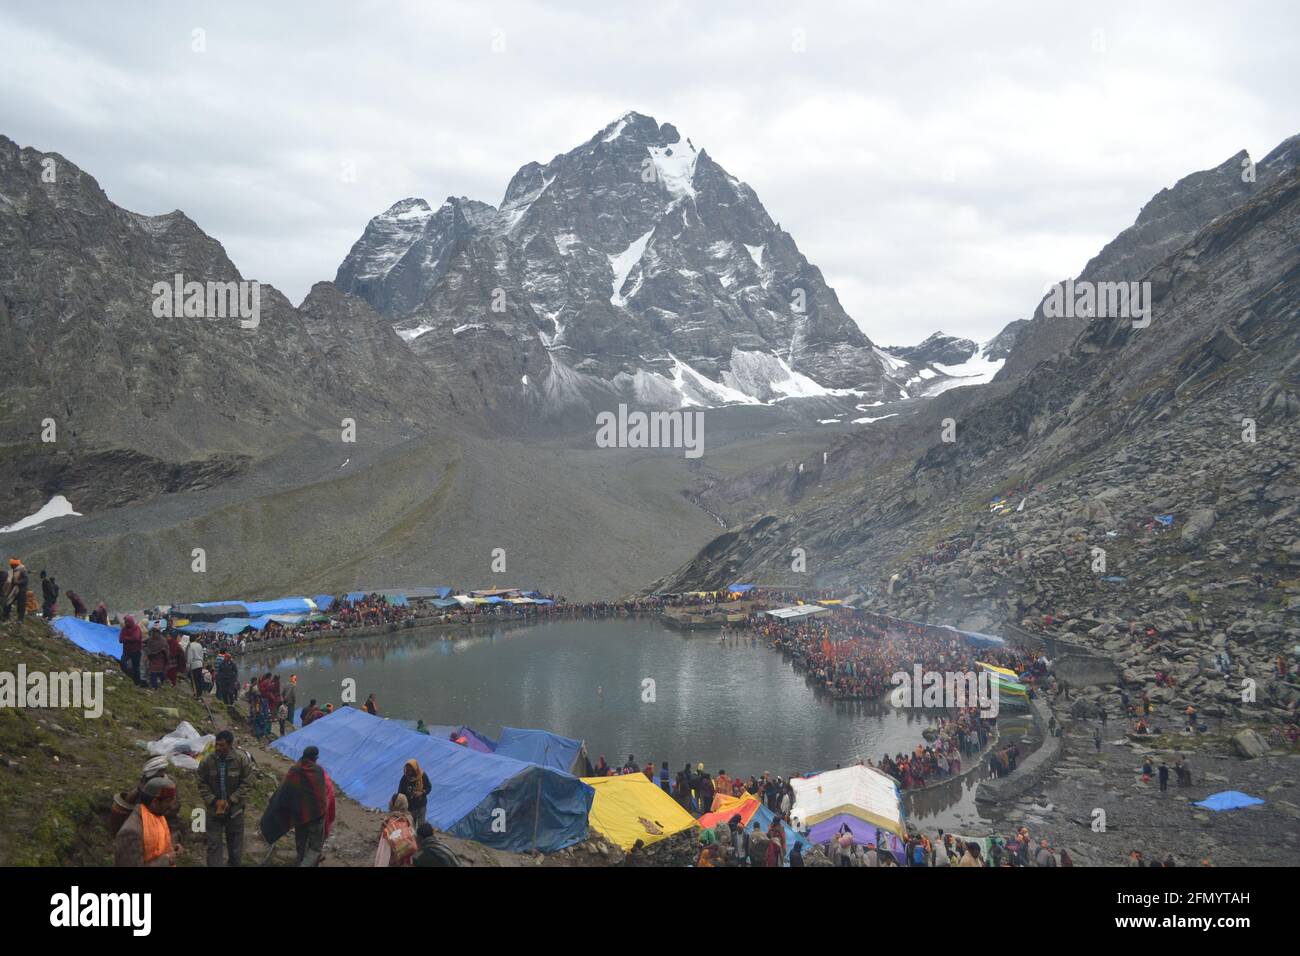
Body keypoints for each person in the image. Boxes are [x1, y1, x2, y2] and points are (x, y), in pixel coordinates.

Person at [260, 745, 334, 866]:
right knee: (315, 848)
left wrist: (275, 804)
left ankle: (301, 862)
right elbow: (322, 794)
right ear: (315, 758)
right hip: (317, 815)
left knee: (301, 845)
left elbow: (284, 791)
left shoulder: (295, 770)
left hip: (300, 815)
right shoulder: (319, 771)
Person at [197, 730, 254, 867]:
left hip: (235, 811)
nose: (218, 748)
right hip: (213, 810)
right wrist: (213, 800)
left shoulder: (241, 760)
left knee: (235, 847)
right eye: (216, 745)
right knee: (214, 845)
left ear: (230, 745)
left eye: (222, 745)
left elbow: (248, 781)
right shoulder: (208, 760)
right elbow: (201, 781)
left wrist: (232, 799)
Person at [114, 776, 179, 867]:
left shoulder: (158, 816)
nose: (172, 805)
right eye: (168, 801)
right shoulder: (131, 831)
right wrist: (167, 860)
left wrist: (173, 848)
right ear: (155, 802)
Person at [374, 793, 417, 867]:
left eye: (391, 801)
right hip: (405, 855)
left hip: (391, 857)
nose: (389, 802)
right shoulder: (409, 818)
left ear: (395, 804)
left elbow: (383, 842)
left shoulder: (389, 820)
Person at [397, 759, 432, 827]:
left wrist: (422, 793)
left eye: (411, 769)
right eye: (408, 769)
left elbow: (429, 787)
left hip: (421, 805)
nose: (409, 771)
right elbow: (400, 792)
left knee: (421, 826)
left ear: (415, 768)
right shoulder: (404, 778)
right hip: (409, 807)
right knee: (410, 826)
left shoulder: (422, 776)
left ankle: (420, 837)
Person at [118, 615, 145, 686]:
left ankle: (137, 682)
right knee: (122, 663)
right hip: (127, 650)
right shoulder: (124, 629)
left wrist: (126, 638)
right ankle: (129, 677)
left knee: (136, 667)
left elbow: (136, 638)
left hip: (136, 651)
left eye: (127, 622)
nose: (126, 623)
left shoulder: (136, 628)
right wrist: (130, 638)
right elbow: (120, 640)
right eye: (125, 622)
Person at [2, 558, 29, 622]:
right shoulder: (12, 571)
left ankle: (20, 619)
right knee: (8, 602)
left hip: (21, 590)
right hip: (13, 590)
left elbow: (26, 580)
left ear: (15, 565)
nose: (10, 566)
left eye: (11, 565)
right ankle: (5, 616)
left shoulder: (22, 571)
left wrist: (17, 582)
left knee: (21, 605)